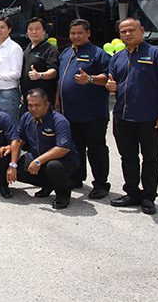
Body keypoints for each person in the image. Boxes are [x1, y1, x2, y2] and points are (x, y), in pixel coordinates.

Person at [106, 17, 158, 215]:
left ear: (142, 30)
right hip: (123, 117)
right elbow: (113, 83)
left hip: (149, 118)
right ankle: (132, 193)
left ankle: (148, 197)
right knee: (128, 158)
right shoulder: (117, 57)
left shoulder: (156, 54)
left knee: (151, 159)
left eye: (131, 30)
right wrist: (111, 86)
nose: (127, 34)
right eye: (123, 31)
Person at [55, 19, 111, 199]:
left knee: (96, 150)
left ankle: (101, 184)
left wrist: (91, 79)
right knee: (75, 148)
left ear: (88, 33)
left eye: (80, 33)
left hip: (92, 114)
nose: (76, 36)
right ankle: (77, 177)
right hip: (69, 112)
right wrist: (57, 100)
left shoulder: (98, 54)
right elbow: (61, 80)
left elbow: (109, 78)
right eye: (73, 33)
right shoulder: (66, 53)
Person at [16, 89, 80, 210]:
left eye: (37, 105)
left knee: (53, 167)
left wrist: (38, 161)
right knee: (18, 169)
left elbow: (62, 149)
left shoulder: (59, 121)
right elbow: (21, 139)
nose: (33, 109)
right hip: (37, 156)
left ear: (47, 105)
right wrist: (10, 148)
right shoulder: (26, 117)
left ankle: (63, 194)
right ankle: (49, 184)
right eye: (30, 105)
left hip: (63, 159)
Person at [0, 15, 23, 125]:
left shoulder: (14, 48)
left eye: (2, 27)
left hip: (8, 93)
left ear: (9, 30)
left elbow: (17, 73)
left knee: (11, 125)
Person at [20, 17, 59, 105]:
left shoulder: (50, 49)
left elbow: (53, 72)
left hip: (43, 101)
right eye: (30, 29)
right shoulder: (27, 48)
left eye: (37, 29)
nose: (34, 32)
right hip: (28, 100)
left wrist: (40, 75)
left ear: (44, 31)